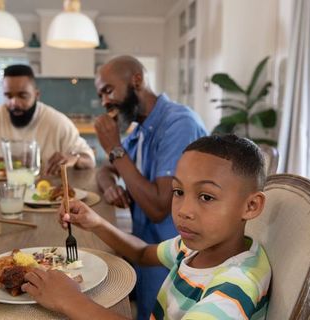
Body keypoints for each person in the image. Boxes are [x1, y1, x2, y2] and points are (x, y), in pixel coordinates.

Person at [22, 134, 272, 319]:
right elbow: (142, 253)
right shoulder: (195, 247)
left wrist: (70, 300)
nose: (184, 210)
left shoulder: (235, 286)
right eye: (178, 191)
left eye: (206, 197)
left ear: (251, 206)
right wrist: (95, 222)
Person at [93, 55, 207, 318]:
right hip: (145, 250)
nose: (104, 102)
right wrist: (110, 185)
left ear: (137, 80)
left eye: (108, 91)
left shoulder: (179, 123)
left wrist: (114, 149)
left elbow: (158, 207)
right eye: (101, 95)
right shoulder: (141, 129)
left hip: (176, 259)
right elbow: (106, 170)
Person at [0, 64, 95, 174]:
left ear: (36, 95)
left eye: (22, 95)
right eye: (8, 96)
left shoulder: (57, 122)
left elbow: (89, 160)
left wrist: (74, 158)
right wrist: (10, 162)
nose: (14, 103)